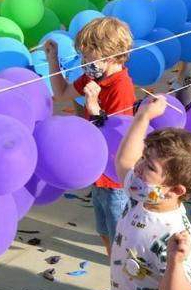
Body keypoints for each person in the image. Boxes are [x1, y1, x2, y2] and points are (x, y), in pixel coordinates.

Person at [81, 101, 191, 290]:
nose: (138, 167)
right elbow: (124, 161)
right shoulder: (140, 193)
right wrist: (142, 117)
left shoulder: (173, 235)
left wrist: (175, 262)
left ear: (175, 190)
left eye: (150, 167)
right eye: (143, 158)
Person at [44, 17, 136, 258]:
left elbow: (116, 135)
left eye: (89, 56)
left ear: (112, 54)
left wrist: (93, 107)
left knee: (120, 237)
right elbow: (62, 93)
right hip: (97, 171)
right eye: (82, 56)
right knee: (104, 231)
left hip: (115, 177)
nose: (85, 62)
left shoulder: (120, 87)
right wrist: (53, 60)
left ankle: (124, 283)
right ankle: (115, 273)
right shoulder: (94, 77)